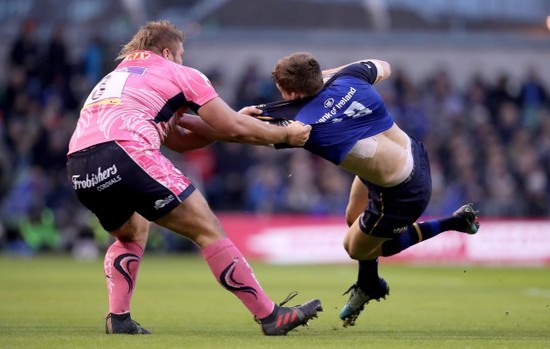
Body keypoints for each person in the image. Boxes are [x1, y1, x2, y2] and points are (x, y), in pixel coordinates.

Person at [66, 21, 321, 336]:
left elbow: (178, 139)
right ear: (168, 52)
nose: (183, 61)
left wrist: (234, 120)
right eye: (182, 55)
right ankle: (271, 317)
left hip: (80, 165)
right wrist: (285, 136)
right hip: (126, 151)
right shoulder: (180, 74)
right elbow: (230, 128)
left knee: (131, 233)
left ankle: (118, 319)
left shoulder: (115, 78)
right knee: (207, 229)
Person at [249, 52, 480, 327]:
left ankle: (452, 223)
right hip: (410, 152)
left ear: (290, 92)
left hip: (402, 192)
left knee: (357, 247)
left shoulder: (303, 125)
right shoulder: (347, 77)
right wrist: (325, 76)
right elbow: (384, 66)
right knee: (354, 221)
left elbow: (237, 129)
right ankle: (368, 283)